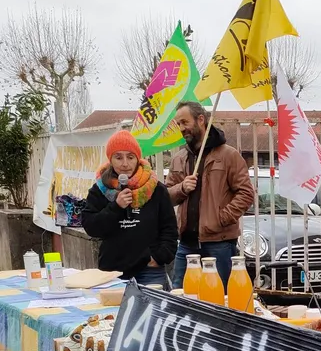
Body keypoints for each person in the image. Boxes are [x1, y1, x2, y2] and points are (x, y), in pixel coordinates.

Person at [166, 101, 255, 288]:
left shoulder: (229, 155)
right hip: (186, 245)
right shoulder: (179, 158)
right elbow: (167, 197)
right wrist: (182, 188)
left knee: (218, 296)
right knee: (180, 296)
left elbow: (246, 193)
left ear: (201, 120)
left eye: (185, 122)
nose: (181, 128)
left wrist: (221, 218)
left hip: (219, 244)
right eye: (179, 124)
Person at [81, 130, 177, 288]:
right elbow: (91, 227)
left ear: (137, 159)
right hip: (112, 272)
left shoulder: (156, 189)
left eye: (130, 157)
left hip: (149, 271)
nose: (125, 164)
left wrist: (159, 257)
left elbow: (170, 229)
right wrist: (116, 207)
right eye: (118, 157)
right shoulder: (100, 189)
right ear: (110, 159)